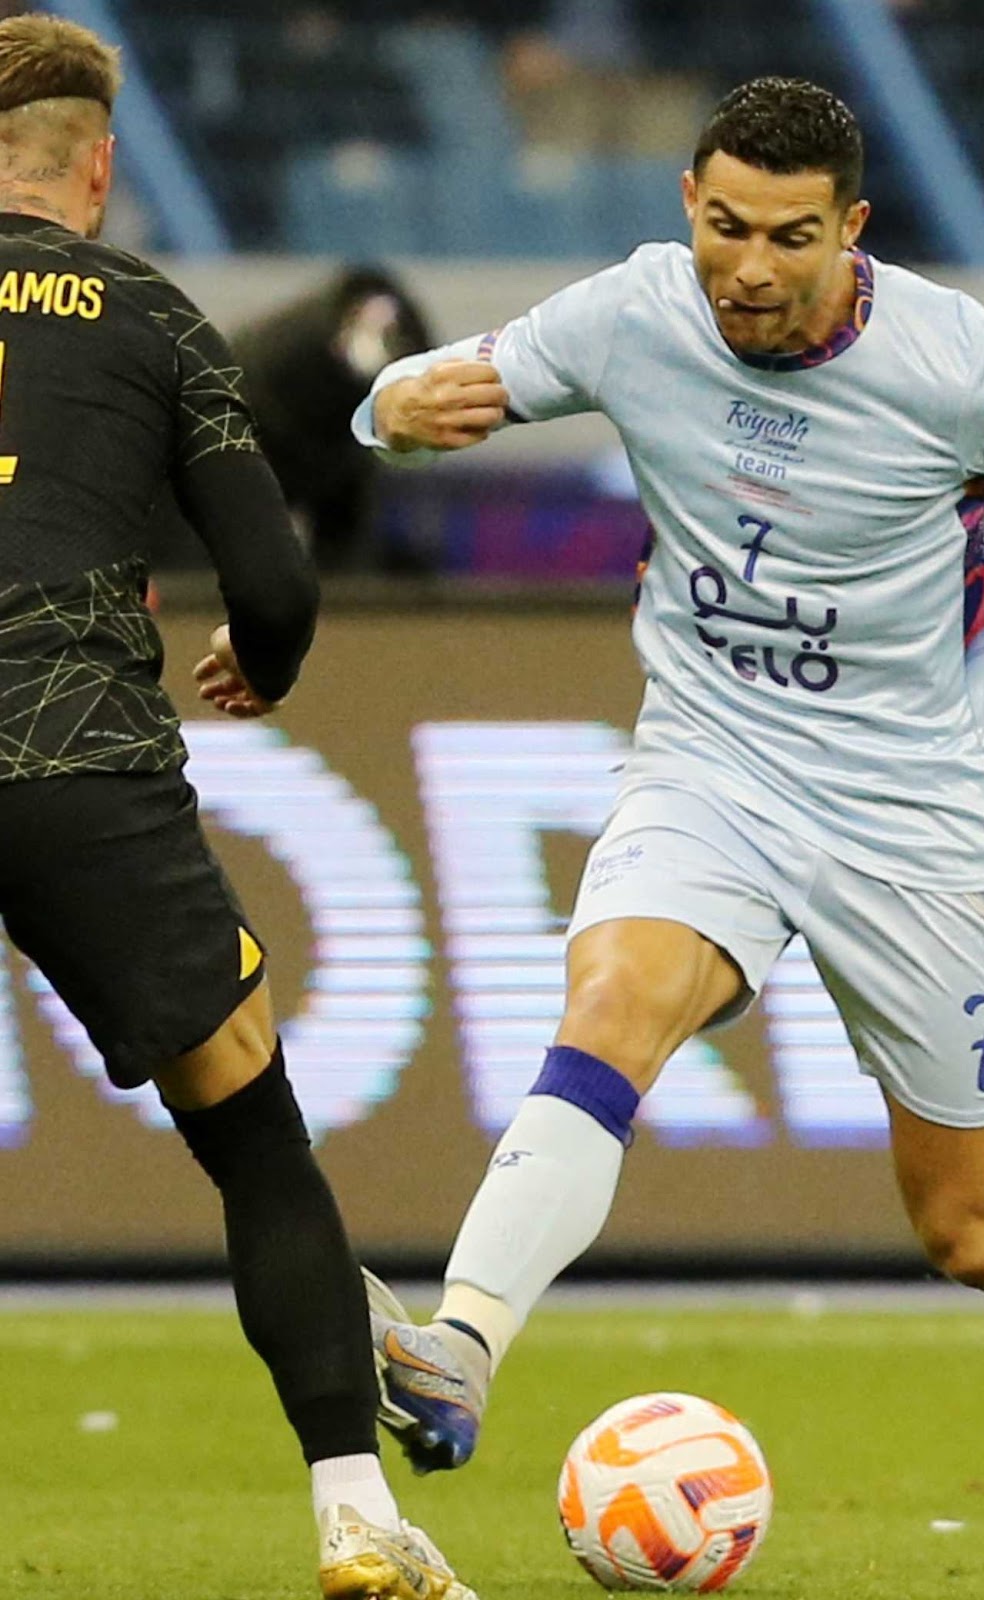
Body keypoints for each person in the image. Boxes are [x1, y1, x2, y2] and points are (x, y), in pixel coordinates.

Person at [355, 76, 984, 1490]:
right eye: (728, 228)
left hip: (911, 820)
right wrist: (391, 409)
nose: (749, 270)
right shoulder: (636, 312)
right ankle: (463, 1345)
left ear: (851, 231)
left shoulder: (958, 364)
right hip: (715, 762)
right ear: (690, 202)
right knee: (612, 1002)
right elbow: (416, 394)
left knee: (971, 1231)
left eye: (791, 238)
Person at [0, 16, 472, 1599]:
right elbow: (273, 581)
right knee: (253, 1134)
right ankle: (356, 1515)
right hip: (76, 758)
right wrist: (257, 666)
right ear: (99, 170)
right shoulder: (149, 314)